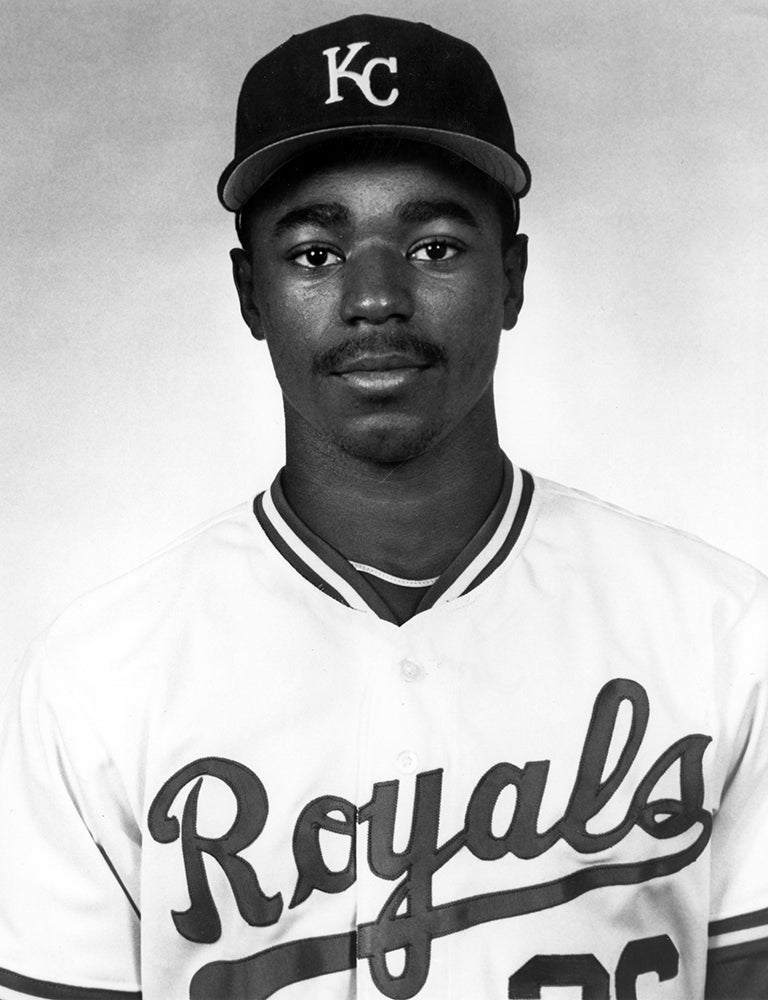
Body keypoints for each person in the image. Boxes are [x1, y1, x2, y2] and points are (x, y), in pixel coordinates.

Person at [0, 12, 767, 999]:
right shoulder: (104, 676)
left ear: (513, 278)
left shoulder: (720, 636)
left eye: (436, 245)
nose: (376, 298)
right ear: (249, 293)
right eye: (315, 253)